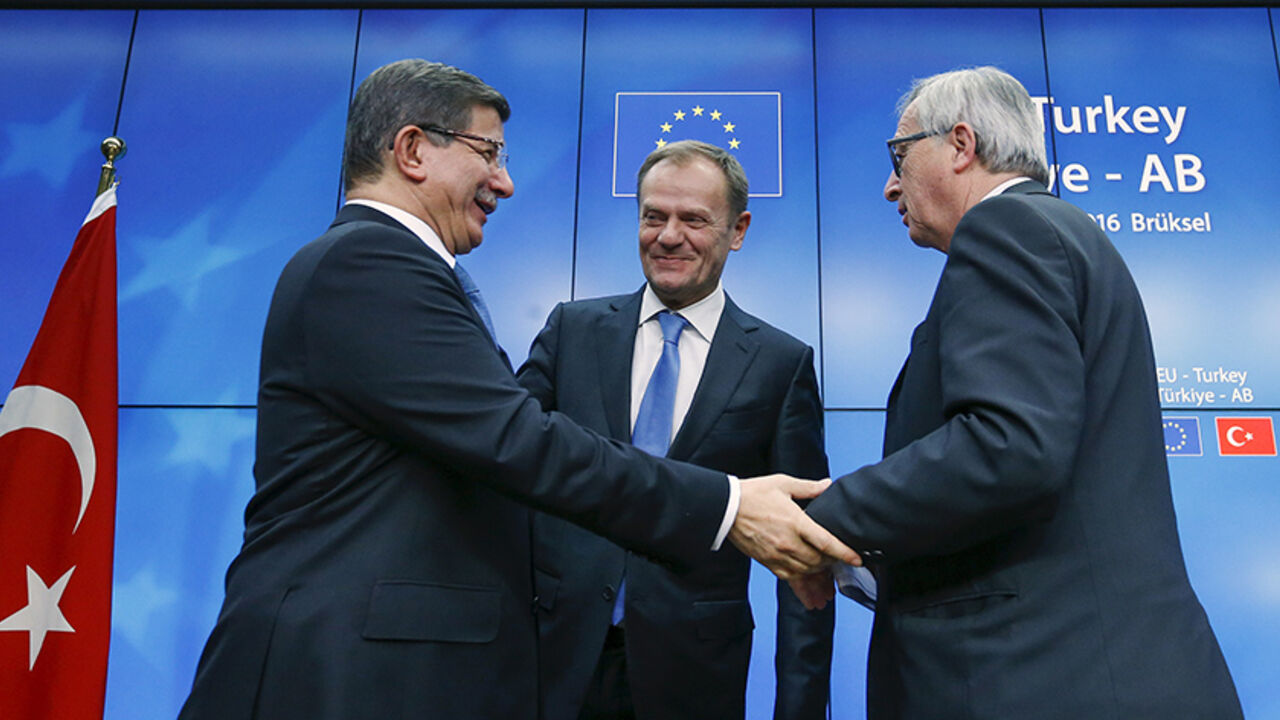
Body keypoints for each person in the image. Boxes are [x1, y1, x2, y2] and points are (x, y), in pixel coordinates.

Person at [177, 59, 858, 720]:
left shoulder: (777, 360)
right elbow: (521, 442)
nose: (503, 182)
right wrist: (728, 503)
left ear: (736, 230)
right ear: (413, 150)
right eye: (489, 153)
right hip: (343, 665)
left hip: (660, 673)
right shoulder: (369, 264)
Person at [798, 66, 1242, 718]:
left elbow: (1009, 447)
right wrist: (858, 559)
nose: (890, 184)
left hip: (1042, 678)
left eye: (899, 155)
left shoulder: (1007, 230)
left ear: (959, 144)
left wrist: (823, 520)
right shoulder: (1060, 233)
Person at [517, 140, 834, 720]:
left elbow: (803, 553)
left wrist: (802, 706)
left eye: (693, 220)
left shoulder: (780, 363)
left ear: (737, 230)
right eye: (653, 216)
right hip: (552, 661)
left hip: (695, 677)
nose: (667, 236)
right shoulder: (571, 331)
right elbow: (505, 467)